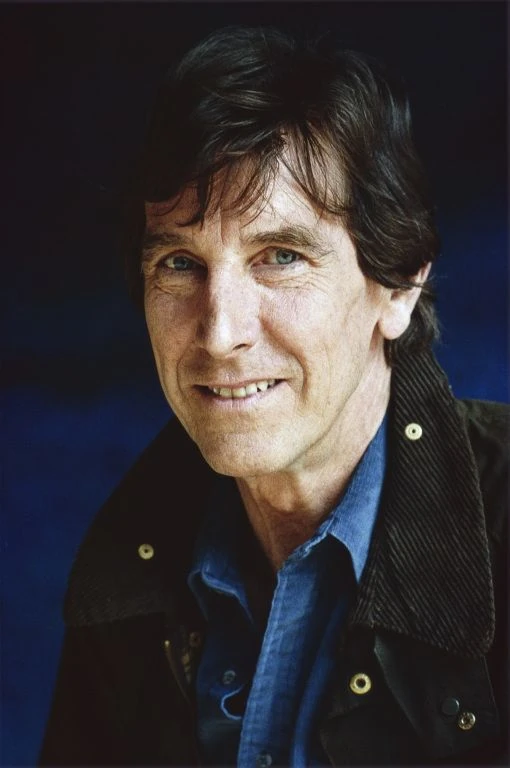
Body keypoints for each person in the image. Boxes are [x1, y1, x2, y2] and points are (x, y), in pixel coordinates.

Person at [40, 26, 508, 767]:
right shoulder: (133, 562)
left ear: (399, 286)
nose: (220, 332)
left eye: (280, 256)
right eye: (180, 263)